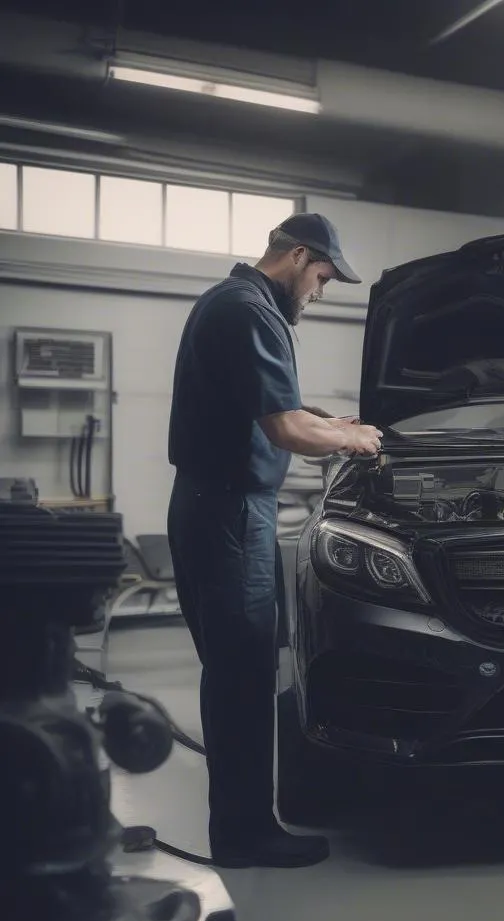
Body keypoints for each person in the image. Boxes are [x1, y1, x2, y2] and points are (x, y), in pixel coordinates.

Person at [166, 212, 382, 869]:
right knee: (242, 673)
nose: (320, 290)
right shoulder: (250, 311)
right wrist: (353, 436)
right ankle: (244, 835)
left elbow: (273, 409)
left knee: (241, 668)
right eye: (321, 276)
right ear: (295, 256)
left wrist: (325, 418)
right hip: (230, 513)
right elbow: (286, 431)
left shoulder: (235, 304)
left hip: (220, 507)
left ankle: (243, 820)